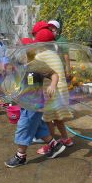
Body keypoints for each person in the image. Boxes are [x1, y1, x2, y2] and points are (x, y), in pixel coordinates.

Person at [5, 37, 66, 167]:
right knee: (38, 128)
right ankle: (55, 145)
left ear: (29, 51)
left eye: (20, 49)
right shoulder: (21, 65)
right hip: (26, 103)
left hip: (34, 103)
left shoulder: (37, 64)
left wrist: (53, 85)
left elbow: (54, 74)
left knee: (24, 127)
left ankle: (20, 155)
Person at [32, 22, 75, 151]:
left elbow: (34, 71)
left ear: (39, 43)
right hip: (61, 89)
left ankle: (51, 144)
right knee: (58, 118)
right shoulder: (54, 54)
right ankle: (66, 139)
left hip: (51, 91)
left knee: (47, 119)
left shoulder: (39, 56)